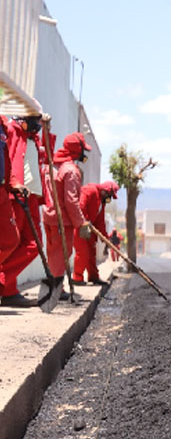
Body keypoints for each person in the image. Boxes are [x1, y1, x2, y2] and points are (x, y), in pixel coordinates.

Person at [0, 115, 46, 307]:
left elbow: (46, 155)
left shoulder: (32, 139)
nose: (38, 125)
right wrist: (13, 185)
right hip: (16, 195)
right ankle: (8, 290)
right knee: (12, 241)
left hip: (32, 195)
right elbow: (8, 160)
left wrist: (47, 128)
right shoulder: (10, 130)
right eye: (35, 119)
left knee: (34, 244)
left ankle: (4, 284)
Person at [41, 132, 93, 294]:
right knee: (61, 255)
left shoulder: (52, 166)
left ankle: (57, 288)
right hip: (62, 221)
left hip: (48, 217)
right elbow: (71, 201)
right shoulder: (70, 170)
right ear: (78, 150)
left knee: (52, 255)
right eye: (83, 150)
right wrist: (81, 223)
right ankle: (54, 291)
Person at [72, 181, 119, 285]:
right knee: (83, 252)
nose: (109, 198)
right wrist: (85, 221)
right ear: (105, 190)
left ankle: (93, 276)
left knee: (91, 253)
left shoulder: (101, 201)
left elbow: (100, 221)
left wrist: (105, 238)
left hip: (90, 228)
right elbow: (81, 206)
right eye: (109, 195)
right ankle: (77, 278)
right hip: (81, 226)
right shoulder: (90, 190)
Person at [0, 119, 23, 287]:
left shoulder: (3, 125)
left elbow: (6, 159)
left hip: (2, 189)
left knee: (11, 239)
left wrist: (13, 183)